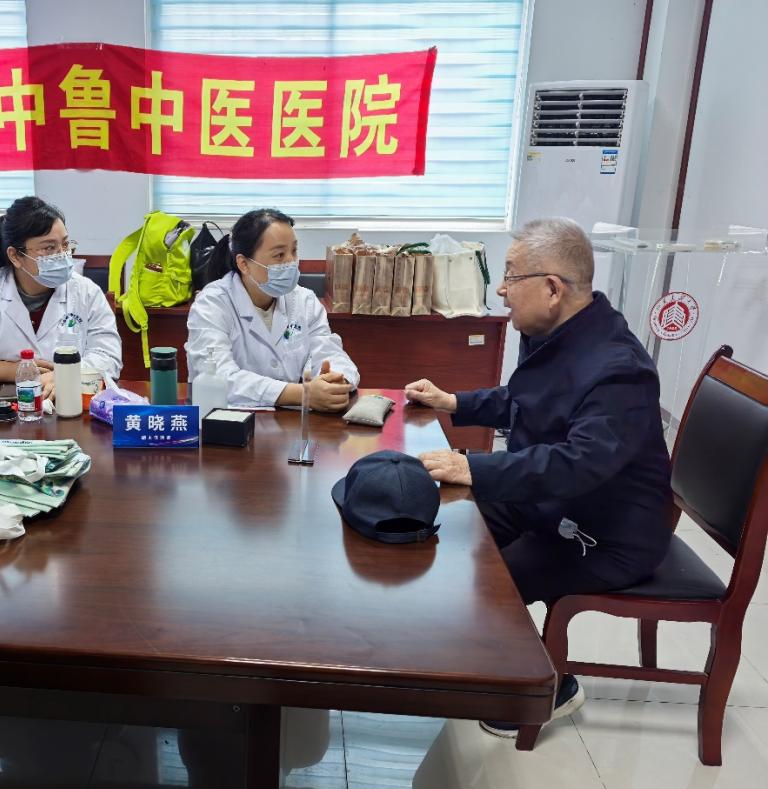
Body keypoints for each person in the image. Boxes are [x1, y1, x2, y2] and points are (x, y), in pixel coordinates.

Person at [404, 217, 672, 739]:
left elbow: (579, 463)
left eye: (510, 276)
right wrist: (455, 402)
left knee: (495, 577)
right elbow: (524, 400)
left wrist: (472, 466)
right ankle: (471, 647)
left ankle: (548, 687)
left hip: (605, 532)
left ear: (552, 288)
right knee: (448, 523)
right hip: (549, 502)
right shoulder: (560, 332)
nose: (501, 290)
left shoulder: (619, 367)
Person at [0, 197, 122, 395]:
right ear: (15, 256)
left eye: (65, 245)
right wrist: (15, 371)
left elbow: (109, 356)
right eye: (49, 248)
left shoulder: (87, 292)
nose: (62, 255)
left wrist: (66, 375)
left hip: (68, 402)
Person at [185, 208, 358, 410]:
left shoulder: (304, 300)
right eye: (279, 255)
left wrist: (336, 381)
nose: (291, 262)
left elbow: (330, 352)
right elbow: (218, 377)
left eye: (294, 251)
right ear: (244, 263)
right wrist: (302, 394)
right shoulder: (212, 304)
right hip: (228, 420)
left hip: (288, 422)